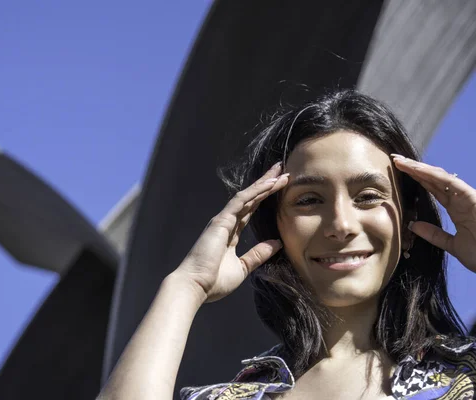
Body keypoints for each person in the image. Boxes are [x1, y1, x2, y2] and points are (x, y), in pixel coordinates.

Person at [96, 90, 476, 399]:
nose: (341, 225)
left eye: (368, 196)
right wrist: (185, 286)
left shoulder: (466, 378)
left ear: (408, 224)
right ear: (276, 229)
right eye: (309, 200)